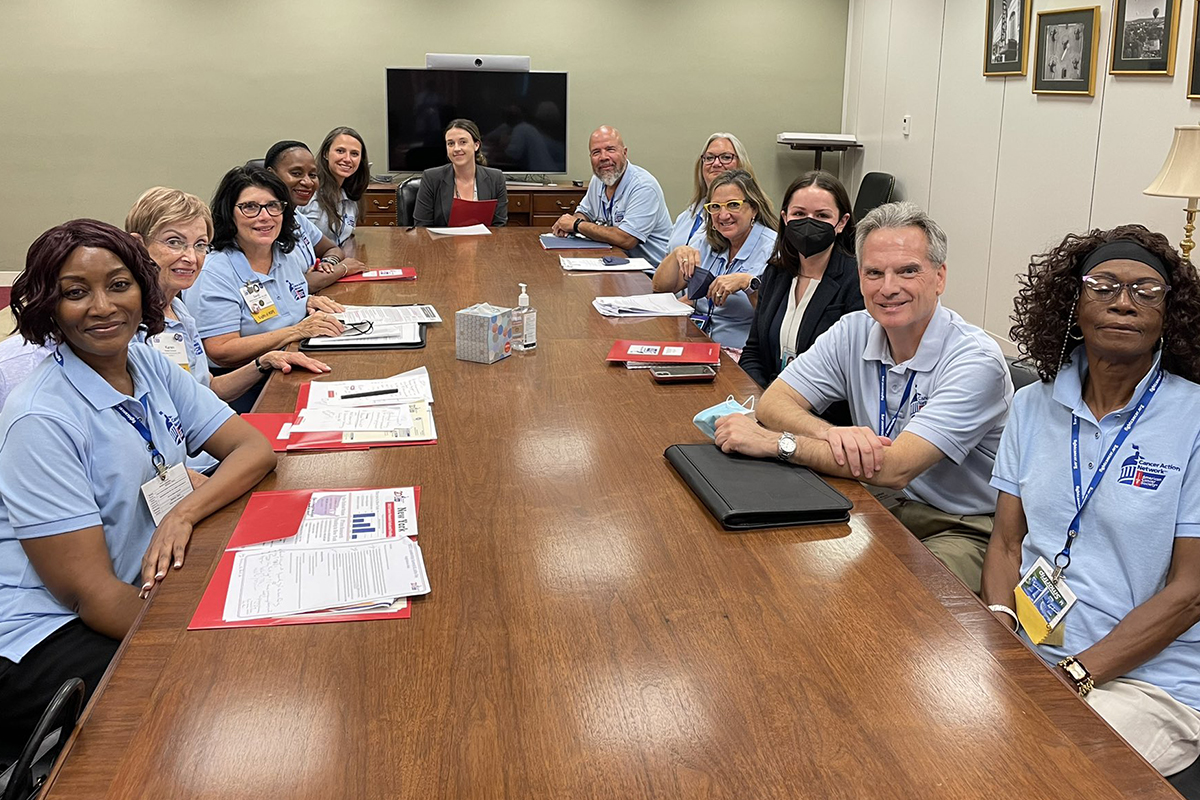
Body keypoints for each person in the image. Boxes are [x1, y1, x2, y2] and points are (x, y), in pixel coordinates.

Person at [0, 219, 276, 756]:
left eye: (118, 284)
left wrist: (184, 513)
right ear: (48, 307)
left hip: (135, 585)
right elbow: (88, 594)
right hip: (42, 631)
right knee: (199, 701)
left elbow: (253, 449)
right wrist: (199, 641)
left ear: (142, 288)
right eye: (75, 292)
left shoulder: (147, 362)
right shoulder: (42, 418)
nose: (102, 306)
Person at [981, 225, 1200, 776]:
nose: (1123, 303)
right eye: (1102, 285)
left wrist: (1076, 674)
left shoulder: (1193, 418)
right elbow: (1008, 541)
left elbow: (1191, 593)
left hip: (1149, 683)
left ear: (1170, 315)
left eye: (1146, 291)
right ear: (1071, 304)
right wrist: (1000, 625)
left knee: (1034, 766)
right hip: (1034, 648)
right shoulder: (1032, 405)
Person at [713, 201, 1013, 592]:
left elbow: (895, 468)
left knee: (887, 598)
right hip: (876, 499)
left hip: (959, 523)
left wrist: (778, 443)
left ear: (939, 277)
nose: (888, 288)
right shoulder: (853, 330)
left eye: (908, 271)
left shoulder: (975, 360)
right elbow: (773, 402)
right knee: (778, 564)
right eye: (874, 273)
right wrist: (829, 434)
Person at [125, 186, 332, 408]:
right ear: (138, 244)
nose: (191, 257)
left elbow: (208, 389)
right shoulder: (127, 323)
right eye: (174, 242)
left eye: (200, 245)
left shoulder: (177, 310)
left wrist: (264, 362)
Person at [187, 166, 345, 379]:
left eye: (273, 206)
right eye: (250, 207)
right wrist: (297, 331)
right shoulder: (214, 271)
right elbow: (221, 351)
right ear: (228, 213)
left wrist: (306, 302)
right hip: (246, 380)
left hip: (295, 358)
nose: (265, 216)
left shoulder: (283, 254)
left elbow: (283, 306)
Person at [739, 171, 865, 389]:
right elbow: (753, 352)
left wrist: (785, 406)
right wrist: (766, 400)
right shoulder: (776, 272)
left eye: (822, 216)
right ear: (785, 218)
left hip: (823, 411)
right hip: (767, 400)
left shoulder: (857, 280)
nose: (809, 223)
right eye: (799, 214)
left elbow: (851, 371)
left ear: (842, 222)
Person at [650, 170, 777, 350]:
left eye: (733, 205)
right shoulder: (706, 241)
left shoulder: (773, 250)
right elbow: (660, 287)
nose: (723, 215)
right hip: (696, 343)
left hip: (740, 353)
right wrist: (676, 254)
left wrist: (747, 284)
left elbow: (777, 318)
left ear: (754, 209)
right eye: (715, 207)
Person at [550, 125, 672, 266]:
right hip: (613, 261)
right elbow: (584, 212)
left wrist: (576, 225)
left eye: (610, 149)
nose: (603, 157)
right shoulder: (598, 179)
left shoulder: (644, 187)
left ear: (625, 153)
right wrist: (571, 224)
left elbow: (626, 239)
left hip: (649, 273)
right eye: (596, 152)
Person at [264, 140, 367, 278]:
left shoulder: (296, 217)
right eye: (296, 173)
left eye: (313, 175)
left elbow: (332, 249)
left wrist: (328, 263)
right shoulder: (264, 223)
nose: (307, 182)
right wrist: (342, 269)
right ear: (271, 175)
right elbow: (292, 288)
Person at [667, 133, 757, 253]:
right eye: (709, 158)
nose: (716, 163)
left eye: (726, 157)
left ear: (741, 163)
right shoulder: (688, 214)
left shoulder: (744, 216)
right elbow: (668, 255)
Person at [414, 119, 508, 228]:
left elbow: (499, 226)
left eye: (463, 142)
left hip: (484, 244)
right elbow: (421, 227)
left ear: (476, 145)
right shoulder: (431, 178)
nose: (456, 148)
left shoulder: (496, 178)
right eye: (451, 143)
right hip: (441, 244)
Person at [300, 126, 369, 245]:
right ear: (326, 154)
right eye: (340, 151)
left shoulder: (350, 195)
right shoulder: (308, 191)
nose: (347, 159)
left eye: (354, 154)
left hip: (337, 260)